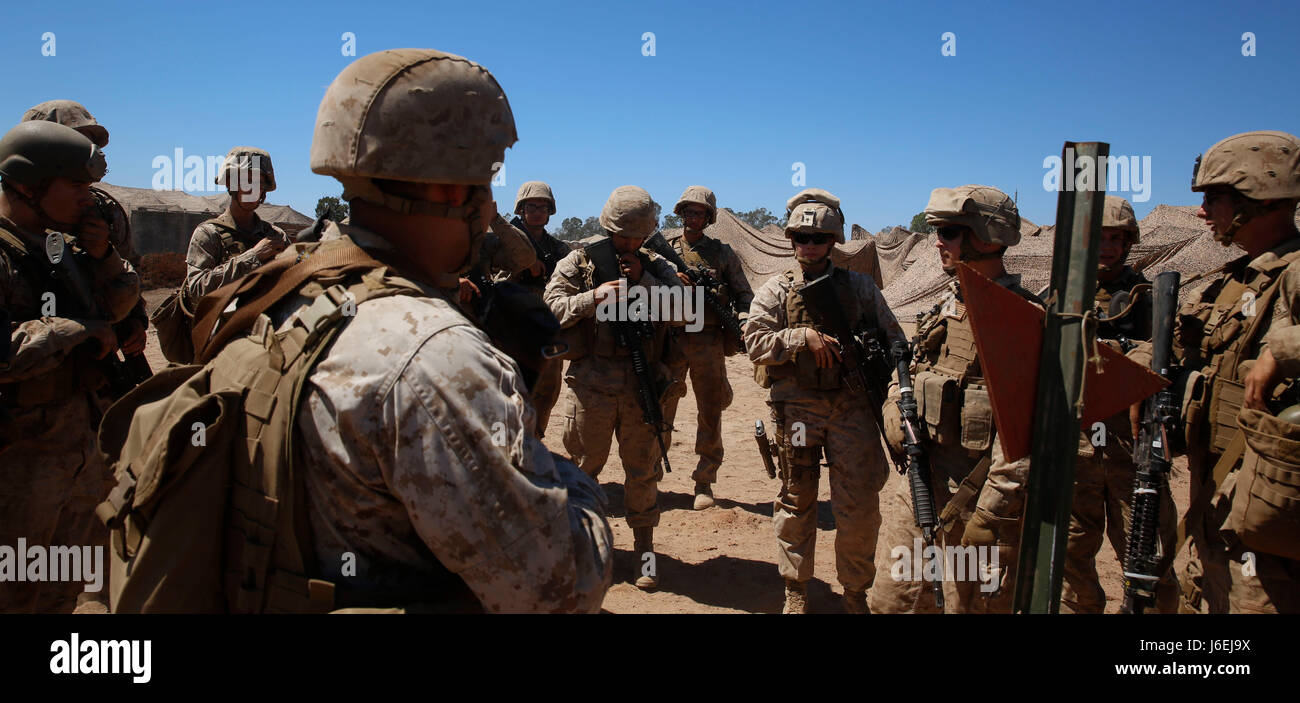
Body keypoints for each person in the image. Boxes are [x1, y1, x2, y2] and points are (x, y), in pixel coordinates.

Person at [1129, 130, 1300, 613]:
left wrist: (1280, 350)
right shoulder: (1231, 282)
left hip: (1273, 523)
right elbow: (1179, 349)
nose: (1202, 212)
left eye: (1214, 198)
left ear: (1257, 197)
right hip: (1218, 504)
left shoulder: (1294, 273)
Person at [870, 184, 1038, 613]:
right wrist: (893, 408)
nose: (938, 242)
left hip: (981, 499)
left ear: (985, 236)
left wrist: (991, 513)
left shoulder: (1023, 321)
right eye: (937, 232)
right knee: (893, 601)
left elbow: (1027, 436)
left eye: (949, 232)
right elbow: (907, 371)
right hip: (922, 483)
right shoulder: (946, 307)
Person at [0, 121, 139, 612]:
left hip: (78, 446)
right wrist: (73, 329)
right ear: (25, 185)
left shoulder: (64, 247)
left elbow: (118, 310)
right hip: (20, 456)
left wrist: (104, 259)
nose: (89, 197)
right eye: (76, 186)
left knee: (64, 589)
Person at [745, 187, 904, 613]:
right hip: (797, 410)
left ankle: (855, 593)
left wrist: (891, 393)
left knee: (859, 506)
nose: (809, 246)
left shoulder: (860, 288)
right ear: (791, 239)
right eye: (801, 238)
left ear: (834, 241)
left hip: (852, 409)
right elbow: (755, 343)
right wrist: (801, 337)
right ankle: (796, 590)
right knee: (797, 499)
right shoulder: (776, 290)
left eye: (818, 239)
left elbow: (896, 342)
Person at [544, 185, 682, 589]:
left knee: (643, 472)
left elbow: (686, 311)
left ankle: (644, 552)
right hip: (592, 384)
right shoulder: (579, 262)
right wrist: (593, 297)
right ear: (608, 229)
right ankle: (579, 546)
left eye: (638, 237)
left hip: (643, 385)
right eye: (623, 236)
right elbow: (550, 310)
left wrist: (644, 284)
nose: (630, 243)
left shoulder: (656, 265)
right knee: (585, 468)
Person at [1060, 195, 1179, 613]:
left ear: (1129, 244)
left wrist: (1140, 359)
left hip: (1131, 452)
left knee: (1147, 559)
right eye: (1099, 238)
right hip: (1077, 448)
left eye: (1116, 239)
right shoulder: (1061, 296)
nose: (1107, 247)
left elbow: (1173, 356)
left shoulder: (1148, 297)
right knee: (1072, 561)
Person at [661, 185, 754, 510]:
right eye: (688, 211)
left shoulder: (723, 253)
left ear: (708, 217)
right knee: (660, 405)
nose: (692, 217)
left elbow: (745, 295)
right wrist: (671, 281)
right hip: (671, 340)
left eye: (699, 212)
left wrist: (742, 322)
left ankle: (704, 480)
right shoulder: (663, 250)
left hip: (708, 342)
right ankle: (649, 472)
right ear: (680, 213)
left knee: (710, 411)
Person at [182, 146, 288, 304]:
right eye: (246, 181)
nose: (252, 189)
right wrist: (253, 257)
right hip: (223, 326)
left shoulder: (276, 235)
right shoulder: (208, 234)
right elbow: (197, 289)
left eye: (258, 183)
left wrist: (309, 252)